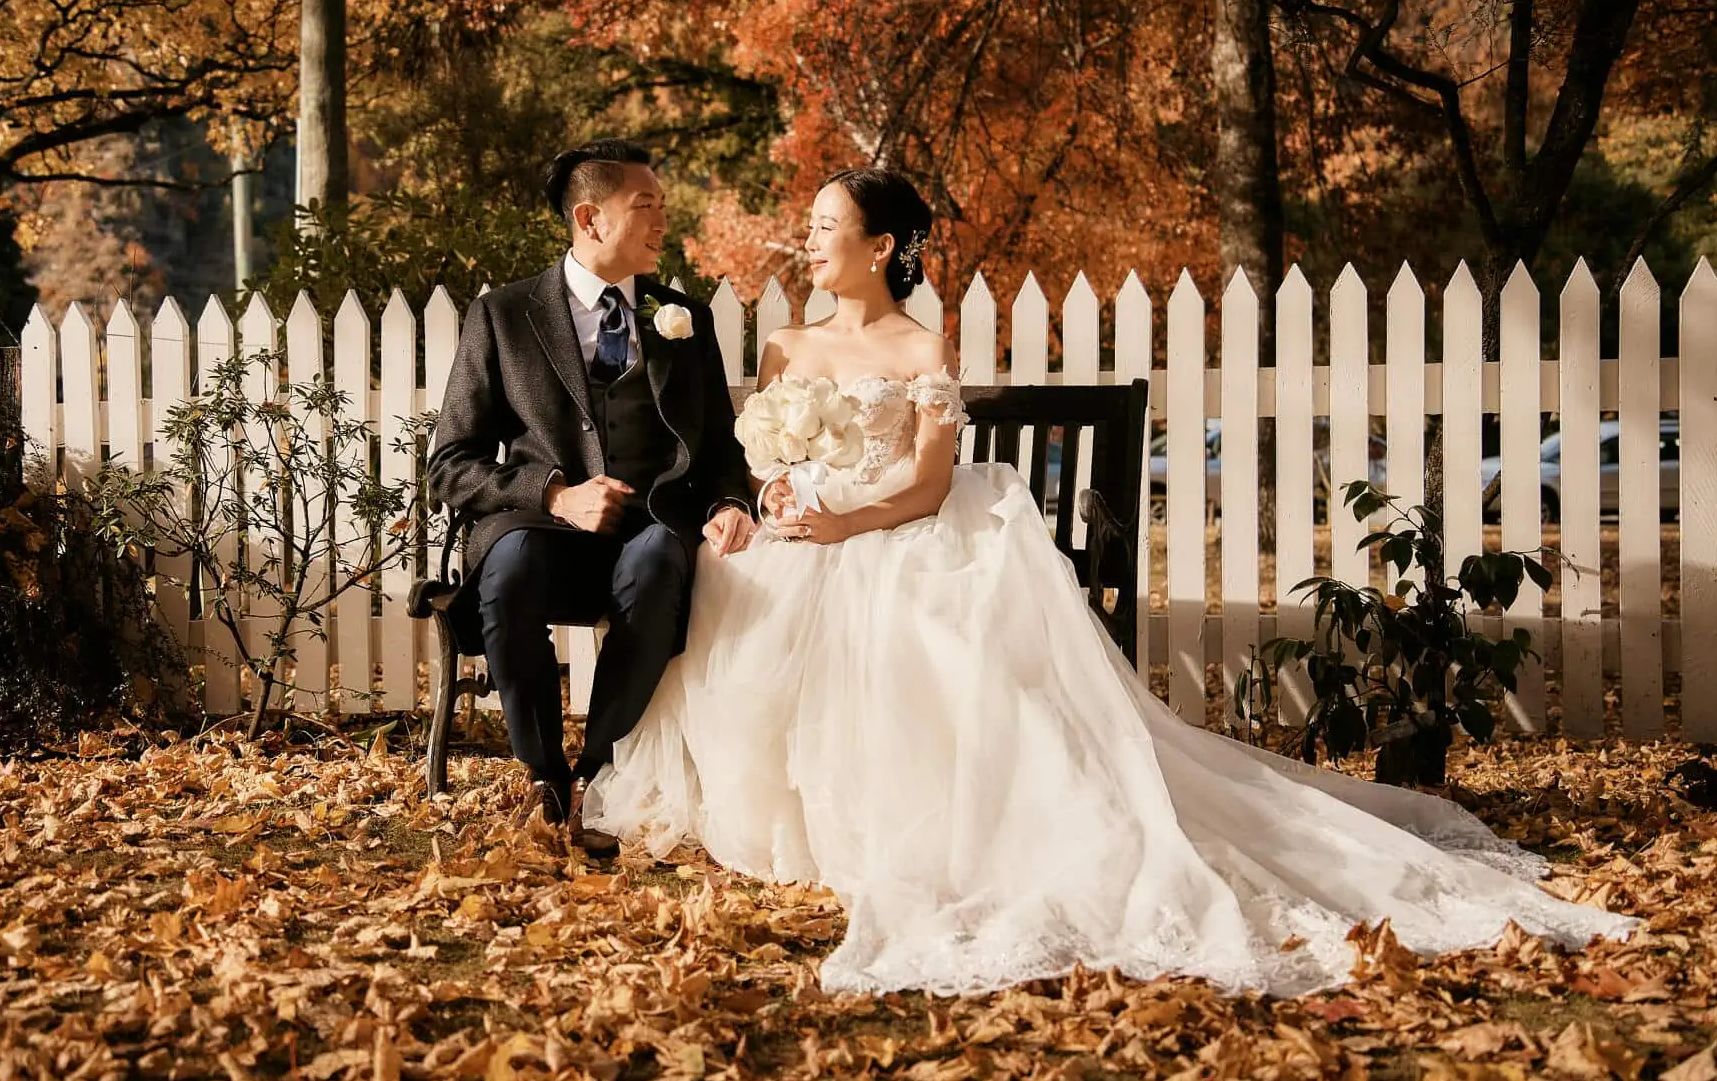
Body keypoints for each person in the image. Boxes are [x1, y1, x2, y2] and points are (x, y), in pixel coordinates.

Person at [582, 165, 1639, 997]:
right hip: (807, 533)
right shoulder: (782, 344)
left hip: (890, 526)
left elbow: (921, 484)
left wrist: (843, 517)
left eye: (825, 226)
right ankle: (785, 820)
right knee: (738, 592)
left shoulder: (917, 343)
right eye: (808, 224)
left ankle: (942, 822)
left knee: (917, 619)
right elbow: (763, 459)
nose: (807, 240)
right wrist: (774, 500)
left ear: (882, 246)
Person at [427, 139, 756, 857]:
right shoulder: (505, 317)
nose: (663, 221)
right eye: (646, 206)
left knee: (662, 561)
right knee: (509, 572)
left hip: (651, 529)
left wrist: (733, 500)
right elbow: (449, 464)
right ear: (589, 217)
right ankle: (546, 776)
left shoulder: (685, 320)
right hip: (541, 533)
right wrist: (554, 493)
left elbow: (724, 446)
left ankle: (601, 766)